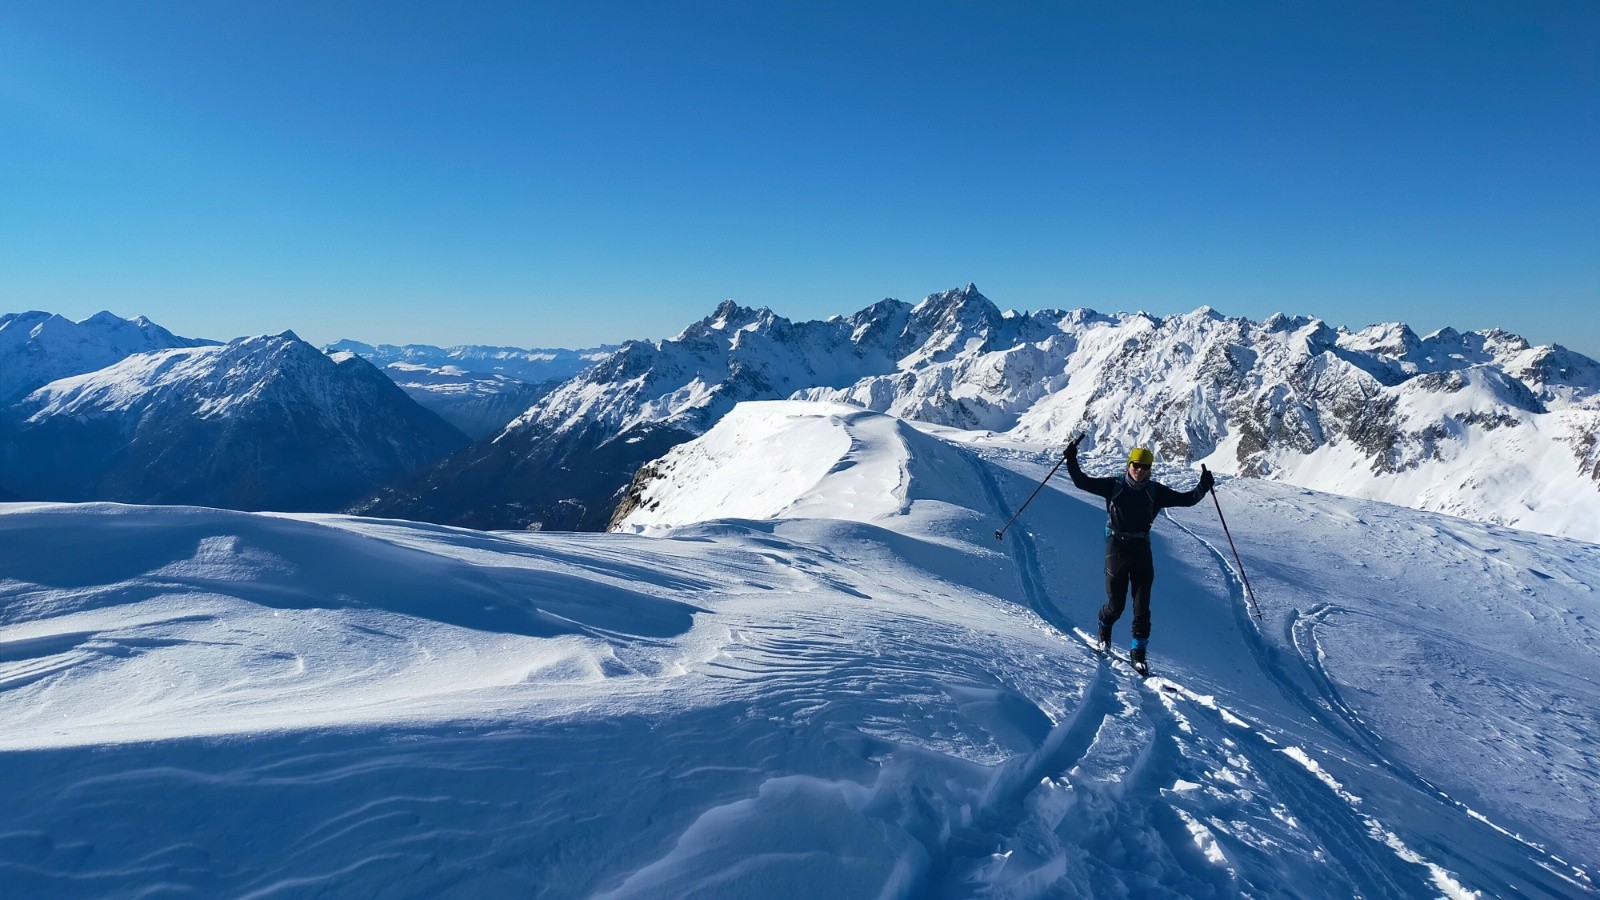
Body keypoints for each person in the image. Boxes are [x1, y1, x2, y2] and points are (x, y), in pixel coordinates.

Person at [1064, 437, 1213, 675]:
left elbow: (1186, 500)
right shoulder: (1114, 485)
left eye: (1145, 467)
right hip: (1117, 547)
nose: (1140, 471)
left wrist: (1202, 487)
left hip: (1142, 549)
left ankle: (1138, 654)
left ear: (1150, 469)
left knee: (1142, 607)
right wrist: (1071, 459)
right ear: (1129, 464)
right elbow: (1081, 482)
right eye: (1136, 465)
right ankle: (1104, 627)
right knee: (1117, 605)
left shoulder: (1155, 491)